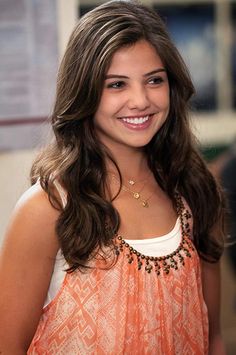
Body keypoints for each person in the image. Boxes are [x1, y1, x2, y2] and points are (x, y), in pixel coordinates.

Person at [0, 1, 226, 354]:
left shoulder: (195, 189)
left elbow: (211, 338)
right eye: (116, 85)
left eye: (154, 80)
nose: (140, 100)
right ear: (84, 92)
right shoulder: (47, 208)